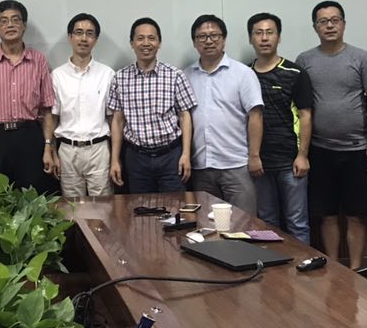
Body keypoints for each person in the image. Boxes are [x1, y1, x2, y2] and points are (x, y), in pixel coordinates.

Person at [296, 1, 367, 269]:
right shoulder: (305, 60)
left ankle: (355, 270)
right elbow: (301, 107)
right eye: (323, 21)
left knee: (357, 216)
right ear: (315, 27)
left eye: (335, 20)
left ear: (343, 24)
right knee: (327, 216)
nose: (330, 25)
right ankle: (333, 269)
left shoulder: (361, 57)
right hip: (320, 150)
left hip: (357, 150)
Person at [0, 0, 58, 192]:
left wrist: (48, 146)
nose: (10, 25)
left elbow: (46, 109)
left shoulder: (38, 60)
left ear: (24, 25)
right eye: (4, 21)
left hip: (30, 137)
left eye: (16, 20)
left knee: (32, 198)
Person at [184, 14, 263, 213]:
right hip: (201, 166)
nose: (208, 41)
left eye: (214, 35)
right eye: (202, 36)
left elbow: (256, 115)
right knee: (207, 224)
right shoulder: (186, 75)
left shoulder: (243, 74)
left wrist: (254, 156)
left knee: (244, 223)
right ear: (194, 42)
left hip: (236, 165)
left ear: (224, 39)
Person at [108, 17, 196, 193]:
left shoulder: (175, 75)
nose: (146, 43)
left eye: (151, 38)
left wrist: (186, 154)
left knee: (174, 207)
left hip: (171, 155)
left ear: (159, 43)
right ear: (132, 43)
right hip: (136, 157)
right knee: (141, 207)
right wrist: (115, 159)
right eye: (140, 38)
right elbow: (117, 121)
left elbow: (185, 116)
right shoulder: (120, 78)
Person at [247, 13, 313, 242]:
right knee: (266, 221)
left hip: (290, 160)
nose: (264, 38)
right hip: (259, 162)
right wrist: (253, 156)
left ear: (279, 37)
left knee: (297, 221)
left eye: (270, 32)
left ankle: (303, 264)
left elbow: (306, 115)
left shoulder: (295, 73)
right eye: (259, 33)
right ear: (251, 38)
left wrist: (303, 155)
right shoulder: (245, 74)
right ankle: (273, 265)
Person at [51, 13, 115, 197]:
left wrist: (115, 157)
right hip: (67, 150)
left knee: (103, 206)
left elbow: (114, 119)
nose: (84, 38)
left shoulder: (107, 75)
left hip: (99, 149)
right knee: (71, 207)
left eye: (89, 33)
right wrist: (52, 151)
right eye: (78, 33)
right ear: (70, 37)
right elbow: (53, 118)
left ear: (96, 39)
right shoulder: (57, 76)